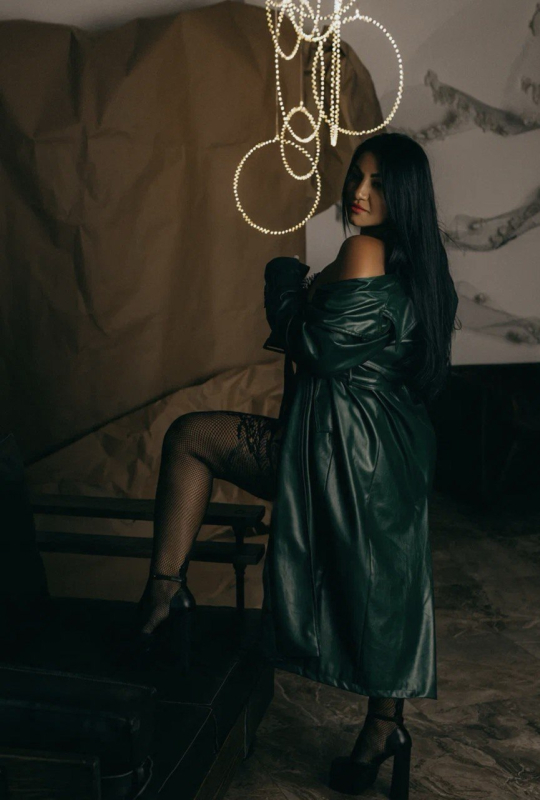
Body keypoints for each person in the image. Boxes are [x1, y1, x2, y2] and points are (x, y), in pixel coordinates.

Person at [130, 132, 460, 799]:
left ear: (404, 197)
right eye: (356, 176)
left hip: (342, 453)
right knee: (390, 588)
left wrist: (283, 280)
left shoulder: (363, 251)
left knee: (191, 437)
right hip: (394, 454)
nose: (359, 192)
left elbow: (312, 344)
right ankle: (384, 728)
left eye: (378, 183)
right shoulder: (424, 270)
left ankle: (166, 591)